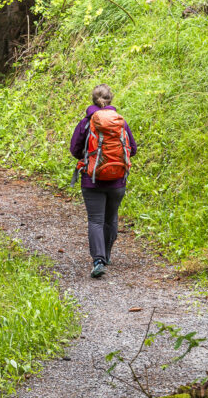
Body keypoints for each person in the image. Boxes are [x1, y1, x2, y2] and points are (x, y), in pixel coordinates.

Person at [70, 84, 137, 278]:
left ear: (93, 100)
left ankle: (98, 260)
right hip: (117, 181)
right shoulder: (120, 123)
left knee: (96, 220)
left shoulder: (86, 122)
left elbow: (75, 150)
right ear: (111, 100)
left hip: (92, 181)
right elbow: (132, 149)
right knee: (111, 218)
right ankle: (106, 255)